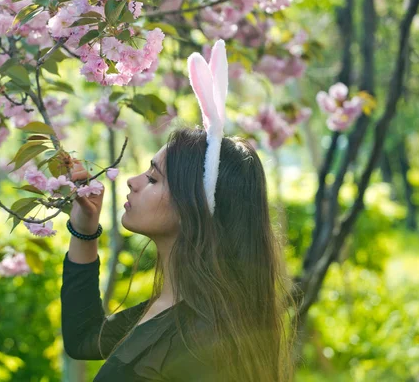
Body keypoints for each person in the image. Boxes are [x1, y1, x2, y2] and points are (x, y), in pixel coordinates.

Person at [61, 40, 294, 381]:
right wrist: (84, 226)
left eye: (153, 178)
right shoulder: (171, 309)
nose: (132, 181)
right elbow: (83, 338)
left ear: (193, 207)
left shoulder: (203, 344)